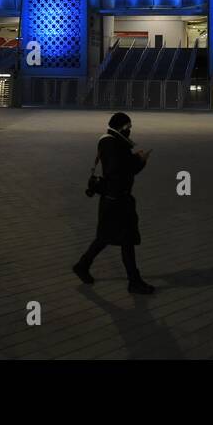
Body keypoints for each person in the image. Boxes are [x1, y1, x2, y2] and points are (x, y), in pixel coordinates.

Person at [73, 112, 155, 294]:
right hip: (116, 199)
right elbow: (118, 170)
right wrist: (139, 161)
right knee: (123, 239)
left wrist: (135, 160)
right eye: (128, 127)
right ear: (120, 127)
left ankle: (83, 265)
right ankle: (133, 281)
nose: (130, 131)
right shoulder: (110, 143)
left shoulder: (112, 141)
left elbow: (121, 165)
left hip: (115, 199)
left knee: (108, 238)